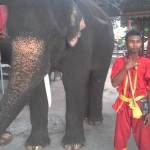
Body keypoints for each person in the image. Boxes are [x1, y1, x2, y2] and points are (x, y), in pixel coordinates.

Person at [111, 30, 150, 150]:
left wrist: (149, 111)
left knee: (144, 138)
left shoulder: (147, 63)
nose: (135, 44)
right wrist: (126, 68)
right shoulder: (119, 62)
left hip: (142, 104)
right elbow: (114, 83)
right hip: (123, 104)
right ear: (126, 44)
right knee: (120, 137)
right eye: (131, 42)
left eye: (138, 42)